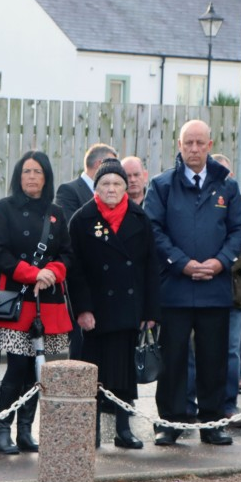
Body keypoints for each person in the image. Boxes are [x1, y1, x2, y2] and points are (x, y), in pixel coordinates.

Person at [144, 120, 241, 446]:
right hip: (174, 288)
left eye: (201, 143)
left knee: (213, 358)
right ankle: (170, 422)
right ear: (179, 144)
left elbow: (239, 230)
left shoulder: (227, 187)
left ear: (210, 144)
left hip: (214, 289)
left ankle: (212, 422)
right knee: (172, 358)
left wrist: (220, 262)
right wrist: (182, 263)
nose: (194, 149)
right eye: (188, 142)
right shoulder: (162, 185)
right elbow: (154, 230)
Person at [0, 150, 72, 454]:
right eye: (27, 171)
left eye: (38, 172)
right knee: (16, 367)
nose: (32, 177)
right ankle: (3, 430)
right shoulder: (4, 208)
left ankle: (27, 431)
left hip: (48, 300)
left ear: (47, 178)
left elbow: (66, 254)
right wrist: (33, 274)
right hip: (17, 298)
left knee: (36, 370)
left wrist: (51, 273)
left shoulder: (56, 212)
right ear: (19, 176)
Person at [68, 158, 160, 449]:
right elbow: (75, 270)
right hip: (95, 311)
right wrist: (83, 309)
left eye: (117, 183)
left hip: (127, 310)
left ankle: (123, 429)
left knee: (123, 375)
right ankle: (90, 432)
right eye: (105, 183)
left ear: (125, 187)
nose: (111, 188)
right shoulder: (82, 219)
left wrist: (149, 312)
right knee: (92, 375)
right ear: (97, 187)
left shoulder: (139, 218)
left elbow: (150, 268)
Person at [56, 143, 118, 359]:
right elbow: (73, 232)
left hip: (111, 288)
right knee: (82, 351)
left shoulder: (117, 193)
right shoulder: (69, 191)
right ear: (100, 164)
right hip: (83, 284)